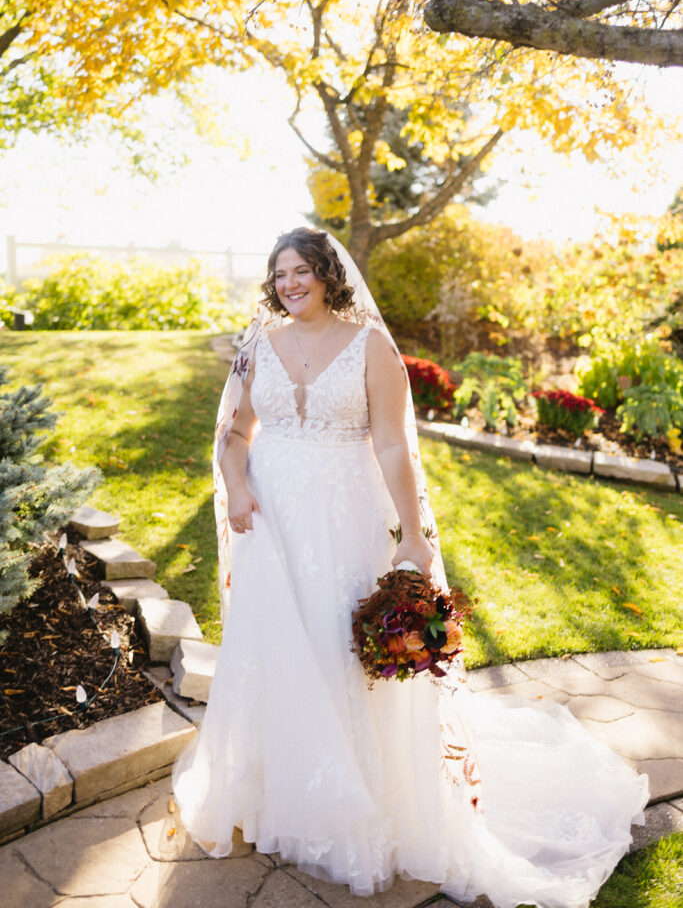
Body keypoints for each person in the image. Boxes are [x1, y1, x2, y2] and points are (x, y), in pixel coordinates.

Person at [173, 227, 648, 908]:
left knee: (344, 654)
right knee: (277, 651)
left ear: (328, 275)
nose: (289, 284)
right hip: (271, 523)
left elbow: (394, 446)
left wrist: (414, 539)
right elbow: (233, 433)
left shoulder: (370, 347)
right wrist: (238, 484)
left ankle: (369, 804)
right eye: (279, 274)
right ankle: (280, 792)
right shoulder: (258, 345)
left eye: (302, 271)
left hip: (346, 520)